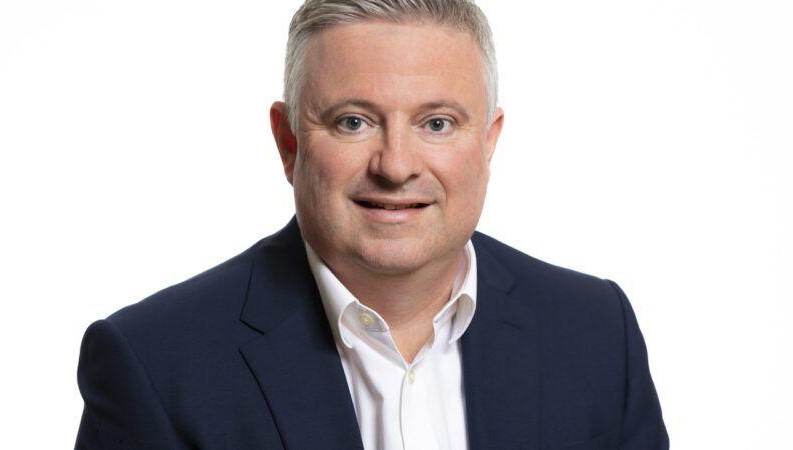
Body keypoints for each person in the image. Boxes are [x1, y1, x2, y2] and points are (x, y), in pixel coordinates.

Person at [74, 1, 669, 449]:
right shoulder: (154, 363)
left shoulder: (595, 332)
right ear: (289, 143)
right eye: (354, 122)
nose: (397, 166)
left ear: (488, 143)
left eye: (436, 124)